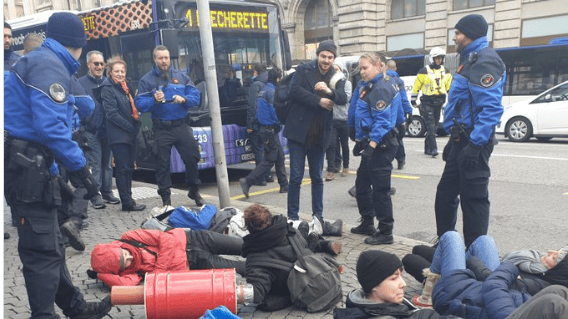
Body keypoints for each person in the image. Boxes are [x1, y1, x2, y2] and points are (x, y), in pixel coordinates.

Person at [4, 12, 113, 319]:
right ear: (79, 43)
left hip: (33, 168)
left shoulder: (42, 60)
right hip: (28, 171)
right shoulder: (48, 65)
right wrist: (83, 173)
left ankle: (77, 309)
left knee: (51, 246)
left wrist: (56, 177)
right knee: (41, 253)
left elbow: (35, 129)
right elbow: (51, 129)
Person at [434, 14, 506, 249]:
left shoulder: (485, 60)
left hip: (475, 141)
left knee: (473, 201)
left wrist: (475, 145)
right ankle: (448, 245)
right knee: (445, 196)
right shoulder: (470, 59)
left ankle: (475, 254)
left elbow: (491, 109)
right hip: (460, 140)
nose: (454, 37)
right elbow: (462, 105)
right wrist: (451, 138)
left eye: (458, 32)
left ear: (471, 34)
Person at [418, 231, 568, 319]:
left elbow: (493, 283)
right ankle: (445, 272)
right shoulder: (539, 268)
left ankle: (428, 292)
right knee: (484, 241)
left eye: (554, 258)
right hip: (484, 285)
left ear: (558, 270)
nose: (550, 252)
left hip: (458, 289)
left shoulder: (541, 284)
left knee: (451, 237)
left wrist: (509, 268)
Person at [284, 40, 347, 224]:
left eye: (330, 57)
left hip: (320, 134)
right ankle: (292, 218)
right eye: (323, 56)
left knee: (317, 178)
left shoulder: (337, 76)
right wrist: (318, 101)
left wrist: (329, 91)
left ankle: (318, 217)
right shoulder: (303, 69)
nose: (326, 60)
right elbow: (293, 91)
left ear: (334, 58)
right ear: (318, 55)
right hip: (298, 132)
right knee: (295, 177)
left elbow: (343, 98)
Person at [135, 45, 204, 207]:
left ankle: (194, 190)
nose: (164, 61)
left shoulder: (182, 77)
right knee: (162, 164)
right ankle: (166, 199)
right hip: (161, 128)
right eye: (160, 58)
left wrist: (184, 99)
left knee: (192, 158)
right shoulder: (146, 80)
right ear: (155, 59)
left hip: (181, 126)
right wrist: (153, 100)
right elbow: (139, 104)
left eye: (166, 58)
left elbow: (196, 97)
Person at [241, 203, 341, 312]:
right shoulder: (288, 230)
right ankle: (322, 244)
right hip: (316, 272)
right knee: (304, 236)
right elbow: (303, 248)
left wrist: (234, 291)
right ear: (270, 218)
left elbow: (257, 294)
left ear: (249, 229)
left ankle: (320, 244)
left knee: (269, 302)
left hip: (297, 290)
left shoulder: (254, 261)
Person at [348, 52, 401, 245]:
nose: (361, 72)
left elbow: (382, 121)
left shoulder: (380, 88)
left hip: (380, 145)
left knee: (380, 190)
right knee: (361, 186)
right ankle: (368, 223)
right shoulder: (371, 86)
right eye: (360, 68)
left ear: (379, 66)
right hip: (372, 143)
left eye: (365, 68)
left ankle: (386, 231)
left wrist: (370, 146)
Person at [89, 228, 245, 287]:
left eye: (124, 254)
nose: (129, 257)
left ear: (118, 246)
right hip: (194, 263)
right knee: (241, 268)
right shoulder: (130, 274)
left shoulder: (129, 237)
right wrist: (101, 275)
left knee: (243, 246)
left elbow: (166, 239)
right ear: (119, 270)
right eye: (125, 263)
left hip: (195, 238)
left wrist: (159, 271)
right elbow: (125, 286)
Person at [333, 250, 460, 319]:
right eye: (394, 278)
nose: (403, 284)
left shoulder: (391, 307)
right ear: (373, 285)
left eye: (401, 275)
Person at [100, 57, 145, 212]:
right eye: (116, 71)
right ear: (110, 72)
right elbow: (111, 113)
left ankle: (129, 199)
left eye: (122, 71)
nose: (120, 74)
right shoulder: (107, 88)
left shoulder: (126, 87)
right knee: (122, 168)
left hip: (130, 133)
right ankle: (126, 202)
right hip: (119, 135)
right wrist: (129, 127)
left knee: (129, 168)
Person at [79, 51, 121, 209]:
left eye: (101, 64)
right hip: (91, 130)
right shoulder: (80, 83)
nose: (99, 66)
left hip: (108, 130)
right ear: (89, 64)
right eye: (95, 63)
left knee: (108, 164)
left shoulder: (109, 83)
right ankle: (95, 194)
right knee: (96, 163)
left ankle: (107, 192)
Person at [240, 68, 288, 197]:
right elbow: (275, 111)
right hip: (270, 130)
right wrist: (281, 120)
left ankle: (284, 185)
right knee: (270, 160)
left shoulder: (263, 90)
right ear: (277, 79)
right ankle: (248, 181)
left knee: (280, 157)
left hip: (264, 129)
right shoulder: (272, 92)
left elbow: (255, 108)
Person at [410, 47, 453, 157]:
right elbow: (416, 87)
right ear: (432, 59)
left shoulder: (446, 71)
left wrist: (453, 99)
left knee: (434, 125)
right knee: (430, 126)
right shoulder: (423, 71)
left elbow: (449, 87)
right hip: (427, 102)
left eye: (441, 58)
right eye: (437, 58)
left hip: (439, 102)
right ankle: (434, 149)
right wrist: (413, 99)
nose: (439, 60)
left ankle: (427, 149)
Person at [325, 63, 352, 181]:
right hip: (331, 119)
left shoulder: (347, 83)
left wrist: (332, 95)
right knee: (331, 145)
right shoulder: (328, 83)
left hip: (344, 119)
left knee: (344, 145)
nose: (334, 71)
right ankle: (331, 170)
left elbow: (345, 99)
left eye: (337, 69)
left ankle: (345, 166)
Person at [247, 64, 272, 185]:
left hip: (258, 123)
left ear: (256, 72)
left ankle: (261, 179)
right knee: (268, 150)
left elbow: (252, 106)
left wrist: (250, 124)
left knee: (258, 150)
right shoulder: (270, 83)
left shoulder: (255, 85)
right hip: (270, 123)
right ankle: (269, 175)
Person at [387, 59, 413, 170]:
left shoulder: (381, 79)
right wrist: (409, 112)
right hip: (398, 114)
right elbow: (403, 99)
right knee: (398, 138)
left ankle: (388, 160)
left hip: (385, 113)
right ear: (395, 69)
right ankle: (401, 159)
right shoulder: (399, 81)